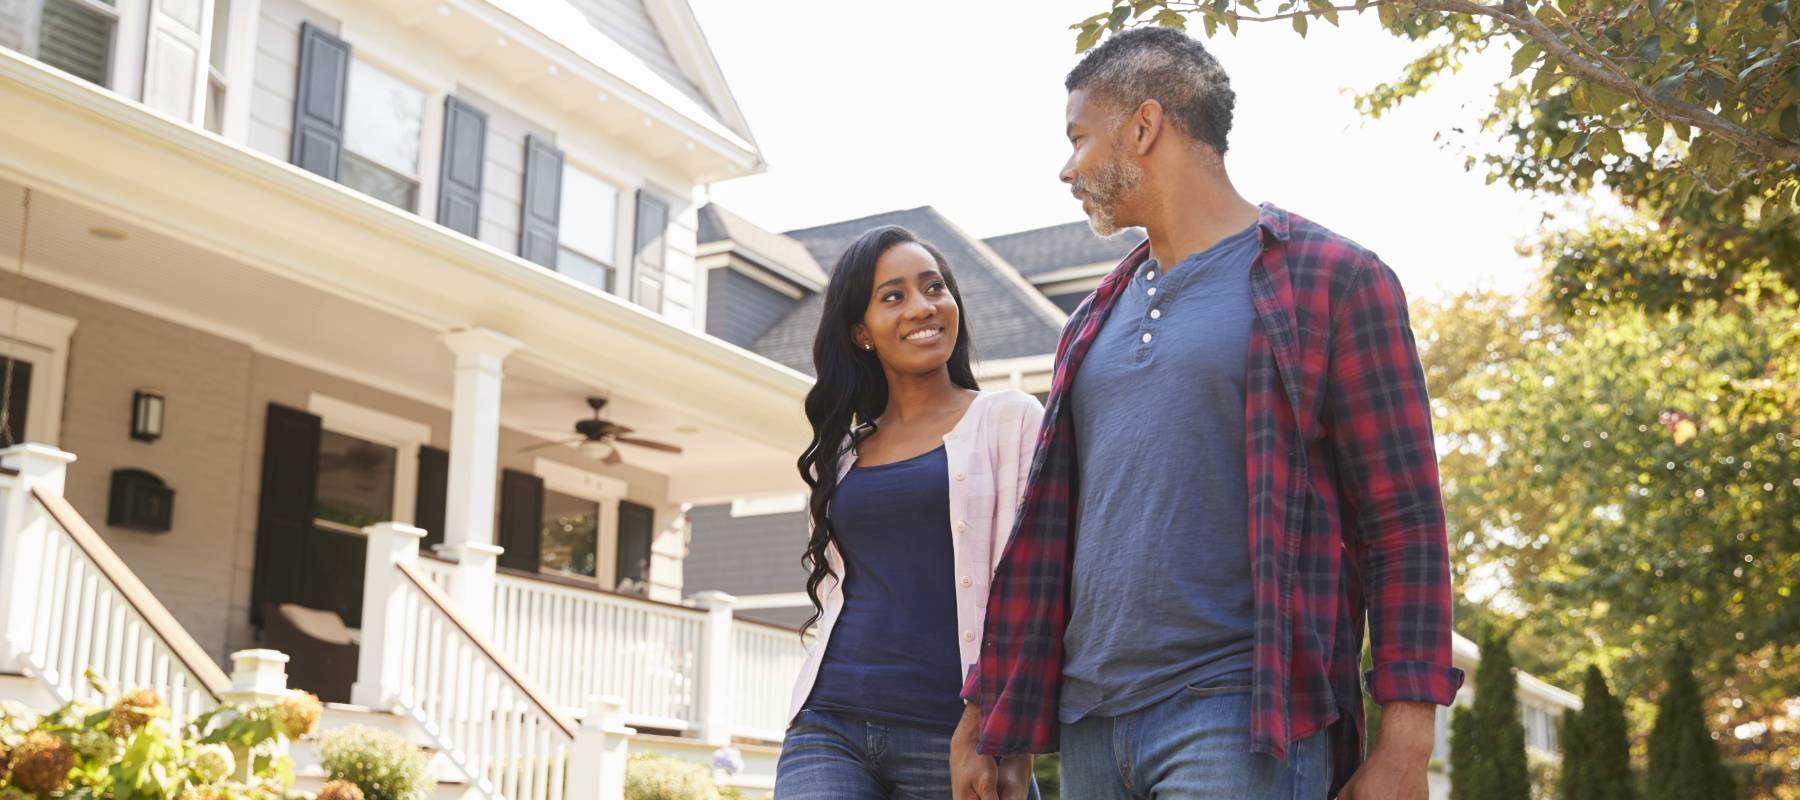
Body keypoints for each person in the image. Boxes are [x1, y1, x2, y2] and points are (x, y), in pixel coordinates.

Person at [951, 27, 1464, 800]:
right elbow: (1047, 534)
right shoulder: (1092, 317)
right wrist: (990, 711)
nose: (1067, 168)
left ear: (1144, 127)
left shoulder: (1332, 280)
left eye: (1079, 138)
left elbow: (1402, 521)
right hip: (1091, 724)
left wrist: (1407, 743)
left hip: (1238, 713)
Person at [776, 225, 1040, 799]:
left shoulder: (1008, 420)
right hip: (830, 724)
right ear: (860, 332)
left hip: (955, 736)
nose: (923, 307)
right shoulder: (842, 455)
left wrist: (1003, 735)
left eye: (934, 287)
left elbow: (1037, 584)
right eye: (892, 296)